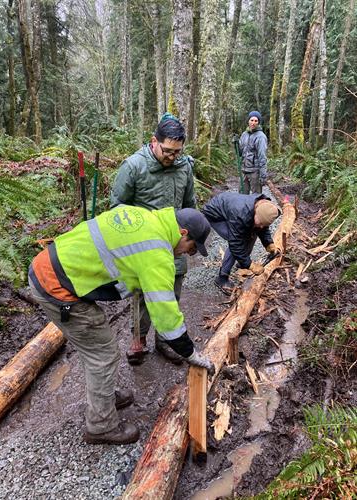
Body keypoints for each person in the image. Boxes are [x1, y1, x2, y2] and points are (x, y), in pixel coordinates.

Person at [28, 204, 214, 445]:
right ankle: (101, 426)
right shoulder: (157, 253)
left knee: (99, 347)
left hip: (50, 264)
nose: (187, 254)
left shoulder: (147, 217)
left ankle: (103, 399)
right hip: (57, 285)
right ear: (183, 233)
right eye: (191, 248)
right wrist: (190, 352)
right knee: (102, 355)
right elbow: (165, 313)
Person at [110, 113, 196, 365]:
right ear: (153, 141)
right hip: (143, 246)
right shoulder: (134, 166)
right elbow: (117, 208)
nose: (172, 157)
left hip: (175, 243)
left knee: (171, 292)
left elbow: (189, 205)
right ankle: (138, 339)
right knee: (142, 293)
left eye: (177, 152)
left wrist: (193, 234)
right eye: (168, 151)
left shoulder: (184, 167)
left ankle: (165, 340)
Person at [201, 192, 280, 293]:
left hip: (233, 212)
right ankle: (222, 278)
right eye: (259, 222)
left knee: (253, 231)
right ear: (255, 212)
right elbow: (235, 244)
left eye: (262, 224)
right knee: (238, 241)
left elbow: (263, 227)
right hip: (215, 215)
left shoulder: (265, 209)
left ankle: (242, 263)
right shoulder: (241, 214)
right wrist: (250, 265)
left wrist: (269, 244)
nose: (261, 226)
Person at [236, 111, 268, 194]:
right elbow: (240, 153)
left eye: (256, 121)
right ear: (248, 121)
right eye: (251, 120)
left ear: (258, 122)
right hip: (243, 170)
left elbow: (262, 156)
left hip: (255, 172)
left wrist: (263, 174)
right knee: (242, 196)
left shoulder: (261, 137)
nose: (253, 123)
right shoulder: (244, 134)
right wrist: (235, 144)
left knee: (256, 198)